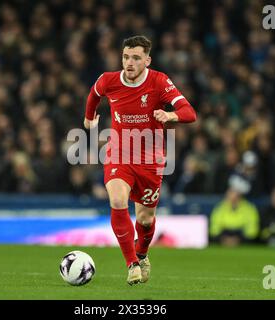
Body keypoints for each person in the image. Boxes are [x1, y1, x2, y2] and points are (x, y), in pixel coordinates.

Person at [83, 35, 197, 285]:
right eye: (126, 57)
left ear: (147, 60)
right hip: (119, 154)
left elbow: (190, 113)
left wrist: (170, 116)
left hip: (150, 160)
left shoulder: (159, 81)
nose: (129, 63)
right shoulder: (108, 80)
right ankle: (131, 263)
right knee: (116, 199)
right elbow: (94, 94)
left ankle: (142, 254)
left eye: (136, 57)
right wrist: (89, 118)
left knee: (145, 220)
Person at [209, 177, 260, 247]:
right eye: (229, 192)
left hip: (243, 239)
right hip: (223, 237)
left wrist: (239, 239)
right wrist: (224, 239)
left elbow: (252, 231)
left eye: (232, 192)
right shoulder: (220, 208)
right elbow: (214, 230)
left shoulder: (249, 208)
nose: (229, 194)